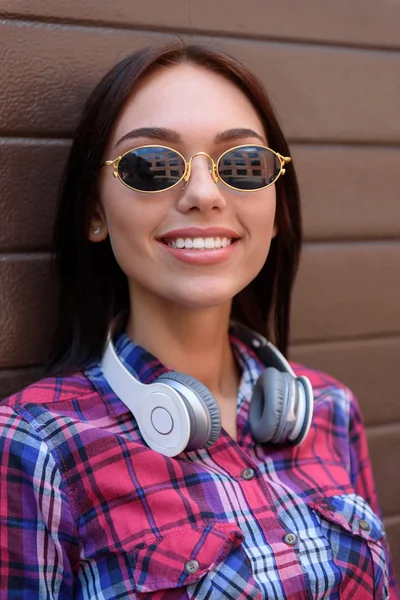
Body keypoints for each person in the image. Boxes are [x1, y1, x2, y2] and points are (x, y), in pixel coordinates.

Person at [0, 42, 397, 599]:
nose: (205, 195)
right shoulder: (35, 445)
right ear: (95, 210)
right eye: (152, 166)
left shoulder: (330, 410)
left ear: (276, 207)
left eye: (243, 165)